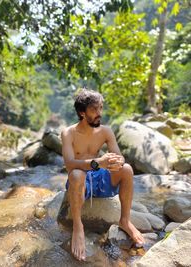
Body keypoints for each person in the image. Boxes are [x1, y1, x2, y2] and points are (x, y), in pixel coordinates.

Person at [61, 88, 144, 261]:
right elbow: (69, 164)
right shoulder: (68, 133)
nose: (99, 113)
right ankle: (78, 227)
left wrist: (117, 163)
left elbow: (119, 157)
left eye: (100, 108)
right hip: (79, 182)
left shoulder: (106, 131)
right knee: (76, 174)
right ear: (82, 113)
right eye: (94, 109)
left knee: (127, 169)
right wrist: (98, 162)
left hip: (99, 178)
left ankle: (125, 221)